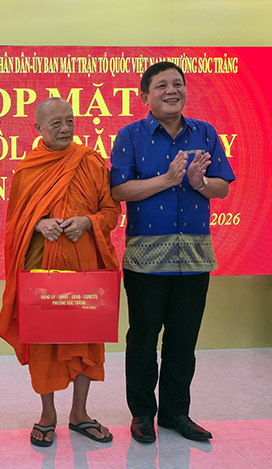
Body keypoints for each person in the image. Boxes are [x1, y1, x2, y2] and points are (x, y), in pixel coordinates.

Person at [110, 61, 235, 443]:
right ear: (145, 96)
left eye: (177, 84)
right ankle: (142, 414)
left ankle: (176, 413)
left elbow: (222, 187)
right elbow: (119, 190)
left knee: (183, 340)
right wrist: (166, 180)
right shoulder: (130, 135)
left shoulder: (205, 132)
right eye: (161, 85)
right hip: (145, 261)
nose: (171, 90)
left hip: (194, 258)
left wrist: (199, 183)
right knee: (143, 339)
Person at [0, 97, 120, 447]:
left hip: (85, 266)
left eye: (70, 121)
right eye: (56, 124)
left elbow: (111, 212)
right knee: (44, 341)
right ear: (38, 128)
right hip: (43, 270)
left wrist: (89, 221)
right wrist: (38, 224)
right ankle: (47, 414)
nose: (65, 129)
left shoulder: (91, 162)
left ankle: (79, 413)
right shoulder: (27, 170)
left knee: (86, 338)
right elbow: (14, 224)